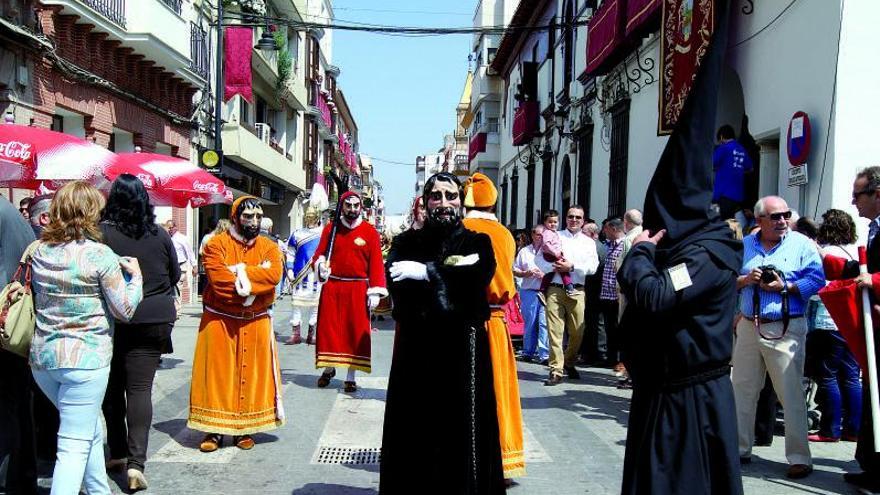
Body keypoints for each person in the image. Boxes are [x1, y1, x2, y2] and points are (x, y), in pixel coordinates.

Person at [617, 4, 743, 490]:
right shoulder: (696, 247)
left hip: (690, 402)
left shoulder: (706, 254)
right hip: (664, 393)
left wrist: (640, 254)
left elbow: (655, 296)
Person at [381, 172, 504, 494]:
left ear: (460, 201)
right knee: (415, 430)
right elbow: (399, 289)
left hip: (464, 352)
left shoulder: (478, 242)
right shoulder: (405, 243)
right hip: (416, 351)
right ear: (426, 201)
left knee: (462, 432)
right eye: (436, 196)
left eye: (450, 196)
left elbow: (479, 277)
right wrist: (450, 278)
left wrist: (428, 272)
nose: (444, 203)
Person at [29, 181, 143, 495]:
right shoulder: (99, 255)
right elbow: (125, 310)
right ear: (91, 212)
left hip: (44, 359)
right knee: (72, 448)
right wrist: (137, 279)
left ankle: (98, 490)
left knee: (86, 427)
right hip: (85, 360)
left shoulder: (38, 250)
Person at [732, 196, 824, 479]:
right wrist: (747, 280)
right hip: (749, 325)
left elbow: (817, 280)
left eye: (785, 215)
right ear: (759, 220)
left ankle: (799, 457)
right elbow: (726, 279)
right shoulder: (744, 246)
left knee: (791, 394)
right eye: (775, 216)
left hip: (786, 326)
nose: (782, 220)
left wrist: (786, 286)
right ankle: (738, 449)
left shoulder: (802, 244)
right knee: (742, 390)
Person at [99, 174, 180, 491]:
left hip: (116, 320)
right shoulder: (160, 234)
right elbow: (174, 274)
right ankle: (136, 464)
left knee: (112, 388)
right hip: (155, 319)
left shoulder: (102, 235)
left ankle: (118, 453)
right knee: (140, 390)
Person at [189, 196, 284, 452]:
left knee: (252, 375)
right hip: (220, 320)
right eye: (247, 217)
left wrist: (239, 271)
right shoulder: (215, 245)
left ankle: (245, 428)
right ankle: (215, 430)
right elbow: (220, 285)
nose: (254, 222)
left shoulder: (269, 246)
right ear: (235, 217)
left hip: (256, 321)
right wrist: (254, 278)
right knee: (218, 375)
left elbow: (274, 275)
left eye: (257, 216)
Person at [462, 172, 526, 480]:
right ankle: (501, 457)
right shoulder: (505, 234)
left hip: (464, 321)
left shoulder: (460, 230)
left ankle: (467, 458)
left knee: (465, 392)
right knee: (498, 390)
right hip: (497, 321)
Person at [823, 166, 880, 492]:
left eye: (858, 194)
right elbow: (867, 267)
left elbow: (873, 274)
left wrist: (872, 280)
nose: (852, 201)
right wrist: (834, 264)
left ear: (877, 194)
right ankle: (871, 466)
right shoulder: (874, 229)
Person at [312, 191, 387, 393]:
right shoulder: (331, 229)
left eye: (356, 205)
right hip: (333, 287)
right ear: (342, 207)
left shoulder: (370, 232)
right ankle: (329, 369)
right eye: (348, 205)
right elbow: (319, 254)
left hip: (358, 289)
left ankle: (351, 375)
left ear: (361, 206)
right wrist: (321, 267)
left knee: (355, 332)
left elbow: (377, 264)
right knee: (329, 330)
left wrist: (375, 291)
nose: (352, 209)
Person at [805, 209, 861, 443]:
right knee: (850, 376)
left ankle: (830, 429)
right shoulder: (854, 251)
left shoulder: (825, 253)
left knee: (827, 375)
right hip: (852, 320)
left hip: (828, 320)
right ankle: (853, 428)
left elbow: (821, 289)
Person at [535, 205, 599, 385]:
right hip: (555, 288)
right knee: (554, 331)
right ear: (566, 218)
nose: (574, 220)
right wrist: (554, 267)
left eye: (578, 217)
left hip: (577, 289)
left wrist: (572, 267)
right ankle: (556, 370)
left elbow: (593, 267)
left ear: (583, 220)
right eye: (571, 216)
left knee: (578, 330)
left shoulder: (589, 242)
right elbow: (539, 259)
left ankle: (569, 361)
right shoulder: (555, 236)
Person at [0, 195, 38, 495]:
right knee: (17, 404)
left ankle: (13, 476)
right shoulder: (12, 214)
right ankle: (19, 475)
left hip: (6, 327)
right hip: (12, 327)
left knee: (10, 406)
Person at [285, 207, 323, 345]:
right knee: (296, 304)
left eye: (312, 216)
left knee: (315, 305)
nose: (309, 219)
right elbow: (290, 253)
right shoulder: (297, 234)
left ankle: (312, 334)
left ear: (317, 217)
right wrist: (289, 269)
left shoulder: (324, 233)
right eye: (308, 216)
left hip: (316, 274)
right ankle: (295, 333)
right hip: (299, 274)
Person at [513, 225, 550, 365]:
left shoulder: (549, 252)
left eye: (541, 234)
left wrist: (544, 275)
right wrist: (525, 273)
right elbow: (515, 270)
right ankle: (528, 351)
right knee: (530, 322)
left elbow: (556, 270)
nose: (538, 236)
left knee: (544, 322)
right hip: (528, 290)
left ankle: (544, 354)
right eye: (535, 233)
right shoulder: (524, 251)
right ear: (532, 235)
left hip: (545, 290)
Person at [600, 218, 626, 377]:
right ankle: (611, 357)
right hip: (606, 294)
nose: (604, 232)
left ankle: (620, 360)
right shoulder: (608, 246)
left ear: (614, 229)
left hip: (617, 295)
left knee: (619, 329)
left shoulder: (624, 245)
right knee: (609, 327)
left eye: (606, 229)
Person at [581, 220, 608, 366]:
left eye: (583, 233)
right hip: (596, 290)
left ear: (592, 234)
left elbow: (592, 271)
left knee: (596, 322)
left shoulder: (596, 248)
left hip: (594, 290)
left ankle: (597, 353)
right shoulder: (600, 247)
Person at [713, 124, 753, 219]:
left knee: (721, 222)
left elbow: (711, 164)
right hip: (738, 196)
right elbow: (750, 168)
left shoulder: (723, 148)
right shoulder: (742, 149)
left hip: (723, 193)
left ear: (721, 137)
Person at [165, 220, 196, 312]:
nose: (169, 230)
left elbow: (189, 252)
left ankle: (177, 310)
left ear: (175, 227)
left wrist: (194, 266)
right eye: (168, 228)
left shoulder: (182, 238)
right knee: (171, 287)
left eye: (171, 228)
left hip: (181, 266)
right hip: (169, 267)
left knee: (178, 286)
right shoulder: (167, 238)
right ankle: (172, 308)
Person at [535, 224, 576, 295]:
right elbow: (546, 244)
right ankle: (569, 287)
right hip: (552, 254)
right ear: (545, 222)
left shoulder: (554, 232)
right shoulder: (547, 232)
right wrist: (555, 253)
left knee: (551, 272)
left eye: (555, 222)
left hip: (553, 254)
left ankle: (542, 290)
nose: (553, 224)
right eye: (550, 222)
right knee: (563, 268)